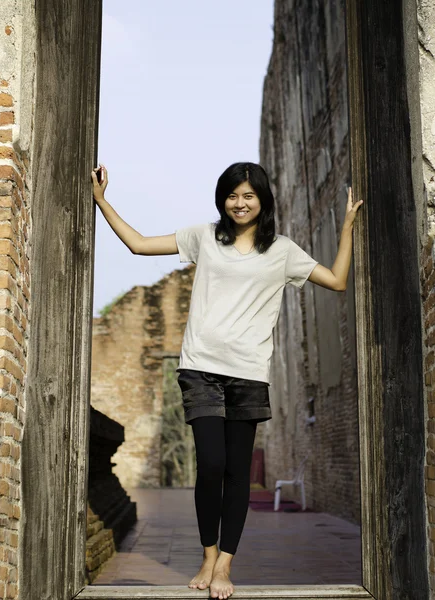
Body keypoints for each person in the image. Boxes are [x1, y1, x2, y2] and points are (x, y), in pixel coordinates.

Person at [91, 162, 363, 599]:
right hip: (200, 368)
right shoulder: (204, 237)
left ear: (262, 201)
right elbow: (140, 246)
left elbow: (336, 280)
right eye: (232, 195)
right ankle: (207, 552)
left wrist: (347, 224)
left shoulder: (283, 251)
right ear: (223, 199)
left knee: (238, 473)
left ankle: (224, 566)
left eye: (248, 195)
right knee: (211, 464)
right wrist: (102, 200)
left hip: (248, 372)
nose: (240, 203)